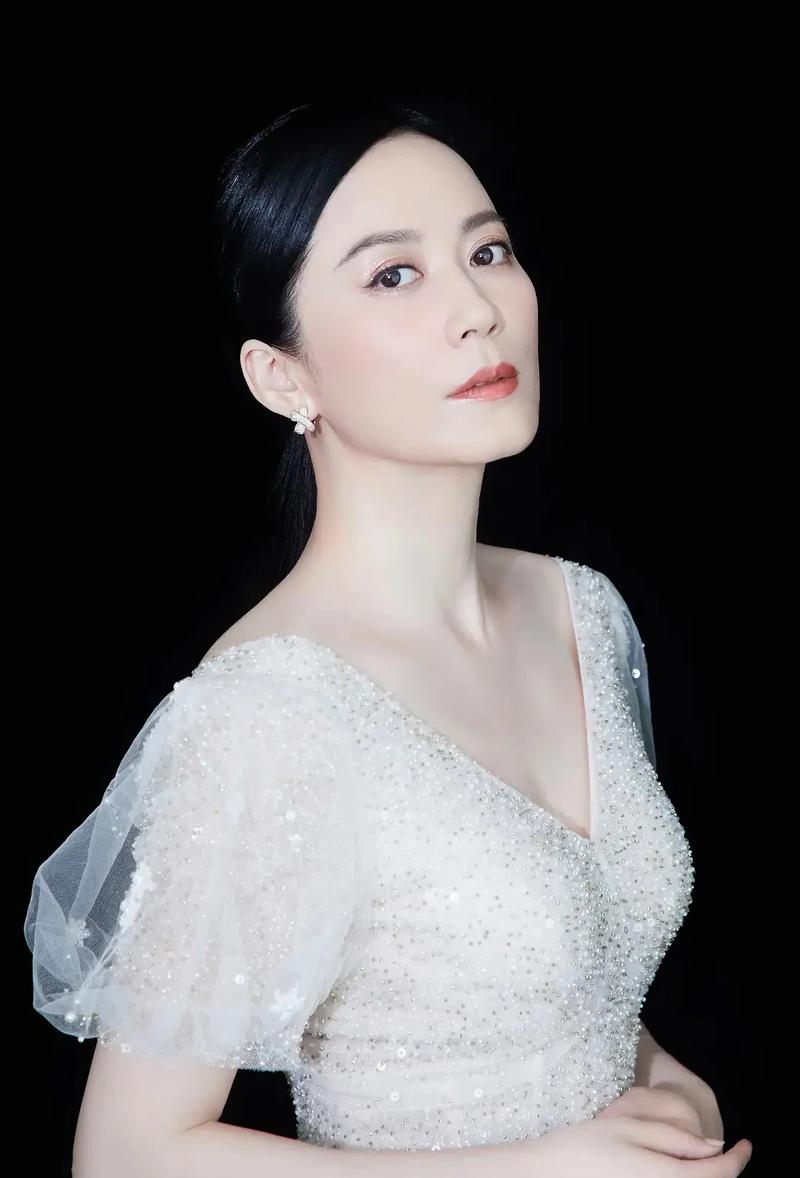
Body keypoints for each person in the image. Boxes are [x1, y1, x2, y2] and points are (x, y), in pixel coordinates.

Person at [24, 100, 753, 1176]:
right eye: (393, 275)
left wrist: (659, 1076)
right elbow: (127, 1150)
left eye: (487, 252)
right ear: (283, 376)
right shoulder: (268, 710)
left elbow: (553, 974)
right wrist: (543, 1167)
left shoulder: (581, 610)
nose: (477, 310)